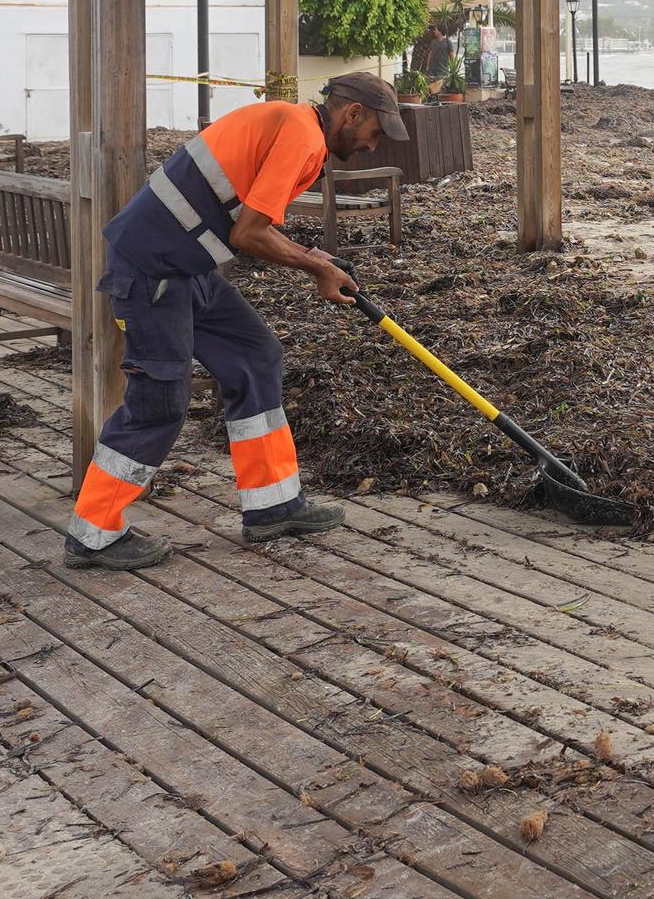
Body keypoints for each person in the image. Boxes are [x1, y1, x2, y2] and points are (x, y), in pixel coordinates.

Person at [60, 73, 407, 572]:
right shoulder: (301, 133)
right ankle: (92, 534)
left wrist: (316, 259)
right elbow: (249, 233)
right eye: (375, 130)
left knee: (254, 356)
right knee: (159, 401)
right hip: (153, 271)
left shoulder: (295, 129)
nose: (374, 144)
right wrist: (318, 267)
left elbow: (250, 225)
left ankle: (273, 504)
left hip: (187, 267)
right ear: (351, 114)